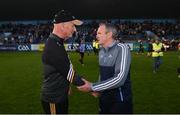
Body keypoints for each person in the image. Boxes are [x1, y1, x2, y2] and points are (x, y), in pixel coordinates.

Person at [77, 23, 133, 114]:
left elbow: (120, 79)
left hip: (119, 100)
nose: (96, 35)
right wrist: (99, 90)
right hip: (104, 99)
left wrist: (93, 87)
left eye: (99, 33)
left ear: (109, 34)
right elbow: (102, 73)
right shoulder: (101, 50)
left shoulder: (122, 49)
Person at [41, 10, 85, 114]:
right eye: (73, 25)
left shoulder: (56, 43)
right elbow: (71, 75)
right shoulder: (54, 46)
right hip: (54, 99)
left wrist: (67, 86)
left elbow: (63, 68)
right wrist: (92, 88)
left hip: (60, 96)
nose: (74, 29)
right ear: (63, 26)